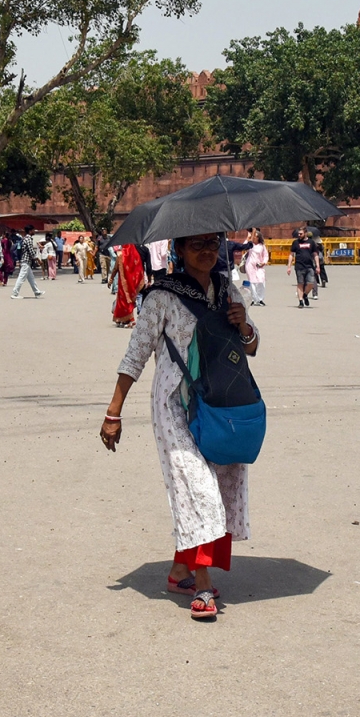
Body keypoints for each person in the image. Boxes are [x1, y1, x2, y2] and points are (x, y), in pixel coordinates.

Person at [102, 232, 259, 621]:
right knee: (196, 486)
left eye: (212, 243)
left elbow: (253, 345)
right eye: (196, 245)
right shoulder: (161, 296)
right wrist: (113, 412)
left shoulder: (229, 290)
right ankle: (202, 584)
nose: (206, 252)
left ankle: (179, 570)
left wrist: (244, 326)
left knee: (222, 482)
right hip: (175, 403)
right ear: (180, 250)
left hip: (221, 400)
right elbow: (135, 355)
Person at [112, 244, 145, 327]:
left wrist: (111, 278)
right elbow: (139, 268)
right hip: (132, 283)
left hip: (123, 283)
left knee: (122, 301)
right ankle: (129, 319)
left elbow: (116, 268)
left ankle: (127, 319)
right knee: (130, 300)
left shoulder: (120, 254)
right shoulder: (135, 254)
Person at [287, 227, 320, 308]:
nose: (299, 235)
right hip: (299, 266)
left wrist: (318, 266)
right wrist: (289, 266)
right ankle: (301, 301)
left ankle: (305, 295)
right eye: (298, 234)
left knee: (311, 283)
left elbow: (315, 254)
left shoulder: (311, 242)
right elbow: (291, 254)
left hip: (309, 266)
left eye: (301, 234)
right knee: (300, 283)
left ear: (305, 233)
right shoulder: (295, 242)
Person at [11, 229, 45, 299]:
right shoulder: (28, 239)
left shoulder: (24, 238)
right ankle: (15, 293)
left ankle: (36, 291)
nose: (34, 231)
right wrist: (38, 259)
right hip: (25, 261)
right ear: (30, 231)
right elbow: (31, 251)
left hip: (25, 261)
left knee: (31, 278)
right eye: (33, 230)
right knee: (21, 277)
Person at [243, 230, 269, 305]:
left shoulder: (262, 246)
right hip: (250, 265)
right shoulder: (250, 245)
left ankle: (260, 298)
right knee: (252, 282)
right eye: (253, 236)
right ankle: (254, 299)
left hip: (259, 265)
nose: (254, 237)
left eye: (255, 236)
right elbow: (244, 246)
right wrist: (248, 238)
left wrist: (264, 262)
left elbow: (266, 255)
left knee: (261, 281)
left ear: (258, 238)